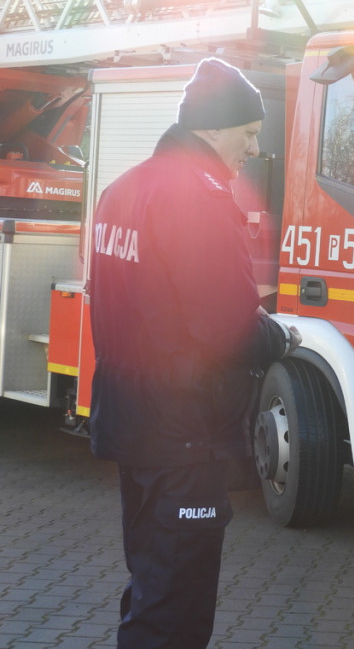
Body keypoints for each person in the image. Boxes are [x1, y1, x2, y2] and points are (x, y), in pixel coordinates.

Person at [89, 57, 301, 649]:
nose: (254, 147)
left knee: (151, 585)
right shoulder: (200, 196)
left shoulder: (123, 189)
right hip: (185, 437)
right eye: (248, 133)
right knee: (174, 616)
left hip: (136, 428)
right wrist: (280, 336)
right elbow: (228, 328)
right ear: (212, 129)